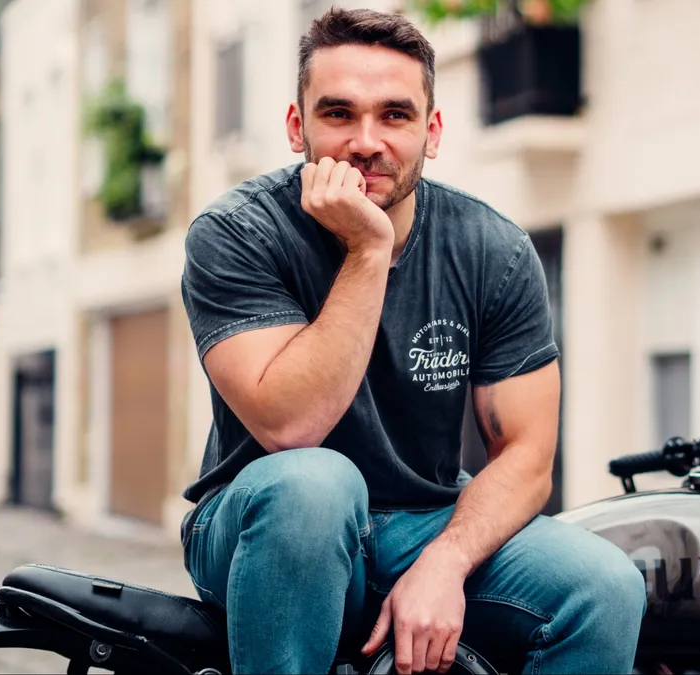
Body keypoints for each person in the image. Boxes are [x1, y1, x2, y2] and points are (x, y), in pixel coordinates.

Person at [178, 7, 645, 674]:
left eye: (394, 115)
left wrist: (446, 561)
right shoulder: (237, 233)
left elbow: (528, 455)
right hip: (264, 520)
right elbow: (291, 425)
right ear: (295, 126)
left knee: (604, 583)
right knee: (316, 483)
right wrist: (369, 249)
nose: (366, 140)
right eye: (338, 114)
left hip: (421, 519)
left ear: (432, 132)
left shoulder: (493, 249)